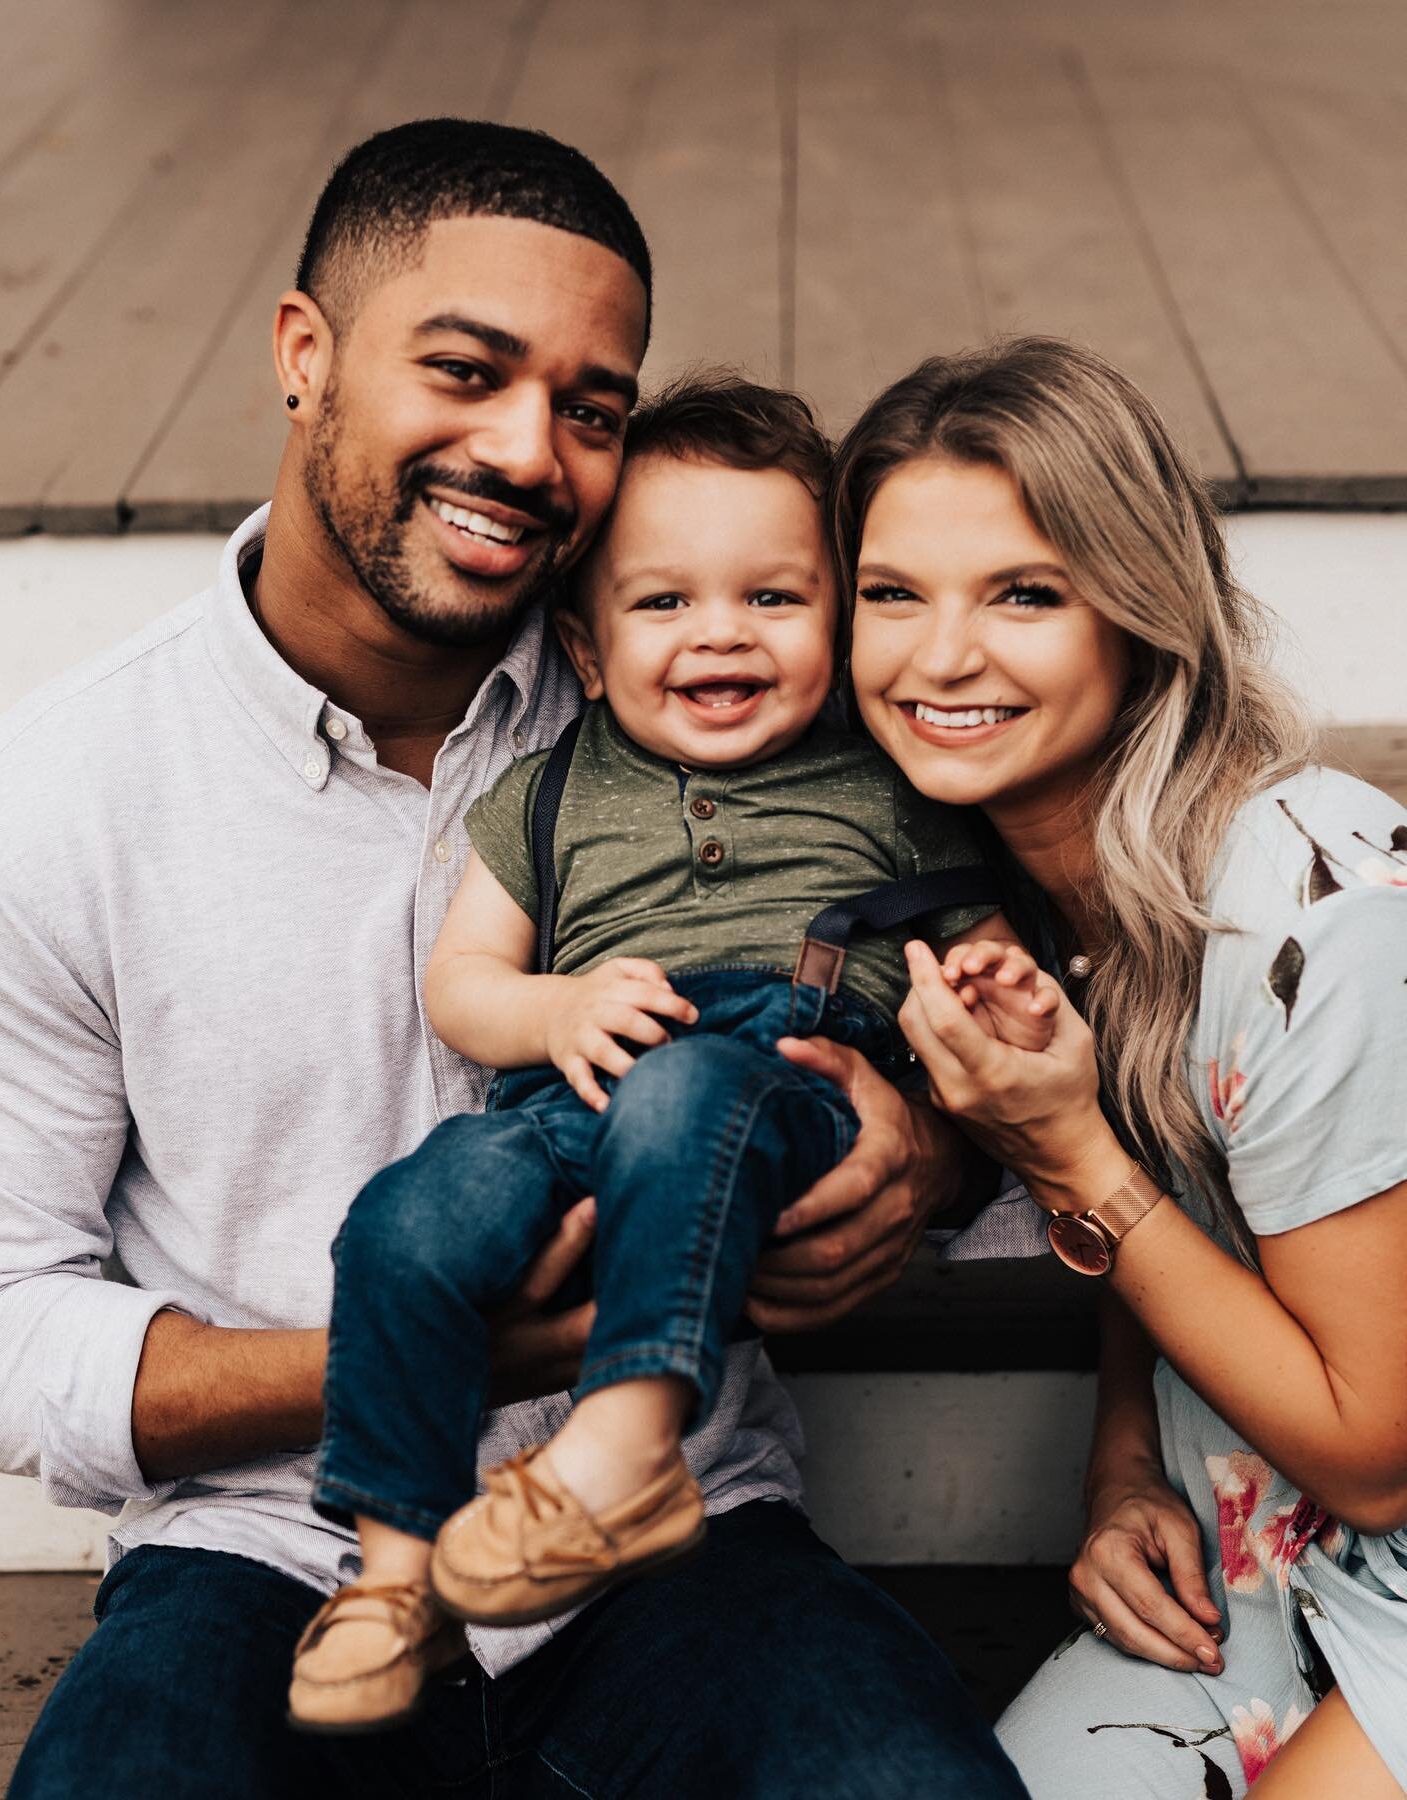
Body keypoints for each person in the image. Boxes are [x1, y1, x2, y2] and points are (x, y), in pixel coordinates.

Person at [0, 120, 1029, 1798]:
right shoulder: (58, 802)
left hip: (680, 1534)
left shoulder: (699, 668)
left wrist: (931, 1154)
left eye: (591, 408)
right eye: (464, 370)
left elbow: (978, 979)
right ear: (303, 356)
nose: (530, 452)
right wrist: (436, 1349)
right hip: (268, 1557)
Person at [288, 373, 1055, 1732]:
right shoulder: (551, 789)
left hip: (780, 1080)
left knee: (694, 1086)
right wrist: (555, 1011)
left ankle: (628, 1447)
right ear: (584, 650)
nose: (722, 636)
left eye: (773, 597)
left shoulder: (884, 786)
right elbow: (463, 982)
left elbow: (984, 952)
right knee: (411, 1213)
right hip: (567, 1094)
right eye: (664, 602)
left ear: (836, 616)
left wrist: (1000, 990)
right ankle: (392, 1573)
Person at [827, 335, 1407, 1798]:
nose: (940, 657)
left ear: (1139, 615)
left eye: (1024, 593)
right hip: (1269, 1564)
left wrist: (1068, 1152)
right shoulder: (1025, 899)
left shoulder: (1308, 906)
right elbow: (1206, 1217)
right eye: (892, 594)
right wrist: (1125, 1464)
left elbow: (1376, 1454)